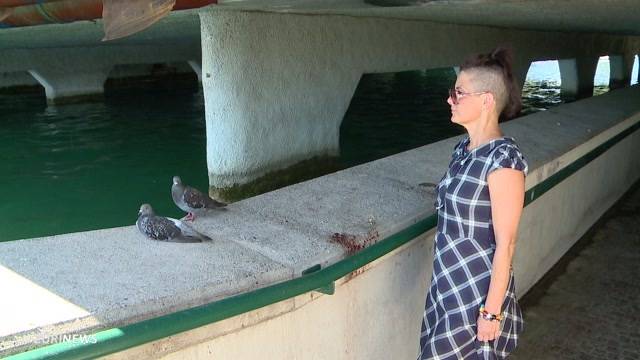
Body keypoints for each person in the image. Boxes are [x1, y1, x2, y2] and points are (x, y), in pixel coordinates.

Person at [418, 47, 529, 359]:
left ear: (486, 100)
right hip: (446, 283)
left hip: (475, 292)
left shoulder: (504, 159)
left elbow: (506, 244)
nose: (450, 99)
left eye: (458, 92)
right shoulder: (462, 150)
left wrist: (491, 312)